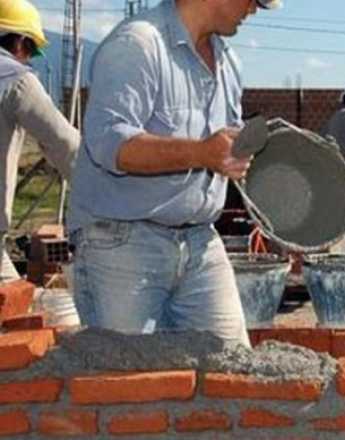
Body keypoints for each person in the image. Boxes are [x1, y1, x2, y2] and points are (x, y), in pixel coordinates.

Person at [68, 0, 283, 347]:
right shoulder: (137, 45)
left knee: (233, 370)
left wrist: (235, 159)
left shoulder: (228, 63)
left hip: (200, 242)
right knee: (129, 384)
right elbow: (110, 145)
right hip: (123, 244)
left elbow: (223, 149)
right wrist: (201, 153)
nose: (255, 10)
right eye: (252, 0)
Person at [0, 0, 79, 282]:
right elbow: (64, 144)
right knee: (15, 313)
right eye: (31, 50)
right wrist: (103, 195)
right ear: (20, 41)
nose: (28, 58)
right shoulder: (16, 79)